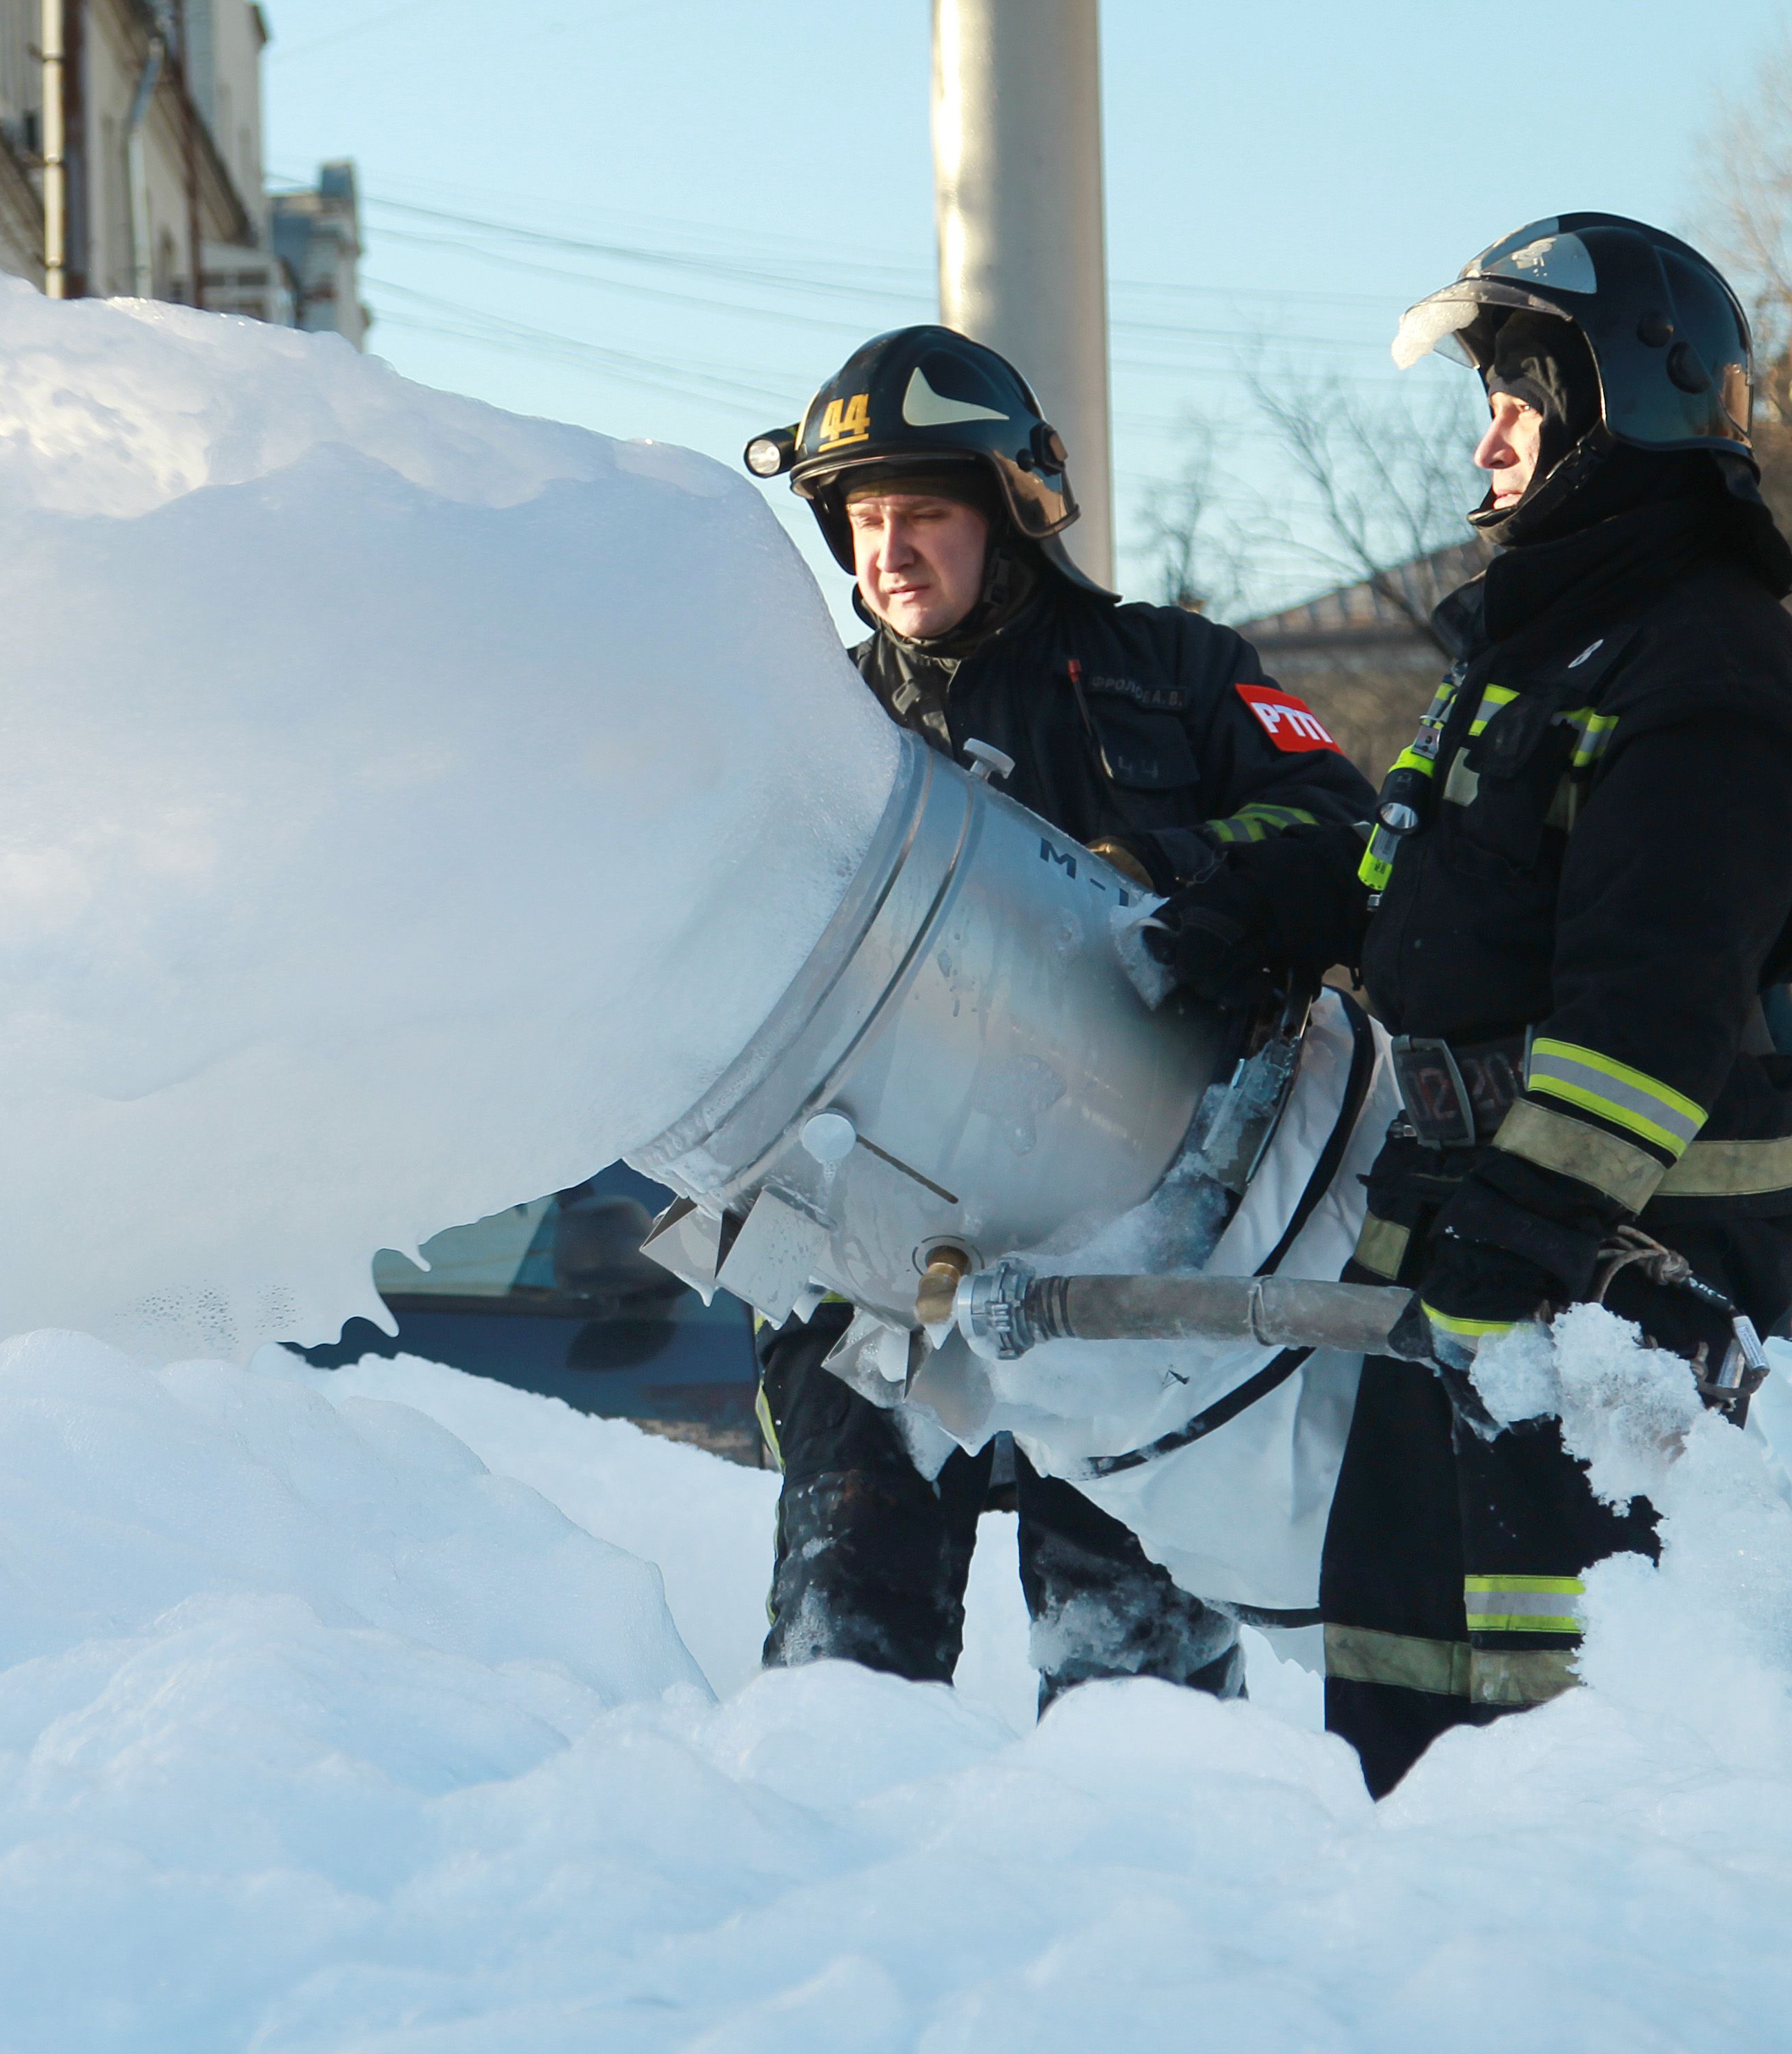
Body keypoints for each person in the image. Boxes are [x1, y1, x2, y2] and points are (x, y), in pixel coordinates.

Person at [1151, 214, 1792, 1795]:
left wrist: (1528, 1227)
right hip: (1465, 1244)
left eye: (1519, 388)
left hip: (1629, 1281)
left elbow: (1653, 1004)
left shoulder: (1702, 668)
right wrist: (1295, 907)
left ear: (1619, 403)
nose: (1488, 430)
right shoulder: (1537, 651)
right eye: (1487, 393)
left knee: (1567, 1729)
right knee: (1400, 1686)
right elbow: (1450, 902)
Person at [745, 326, 1378, 1706]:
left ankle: (1140, 1909)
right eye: (859, 520)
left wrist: (1191, 881)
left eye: (921, 513)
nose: (886, 551)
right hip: (869, 1258)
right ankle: (841, 1892)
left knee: (1127, 1677)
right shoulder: (811, 724)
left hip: (1132, 1247)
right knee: (838, 1654)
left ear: (1009, 514)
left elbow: (1353, 833)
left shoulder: (1175, 672)